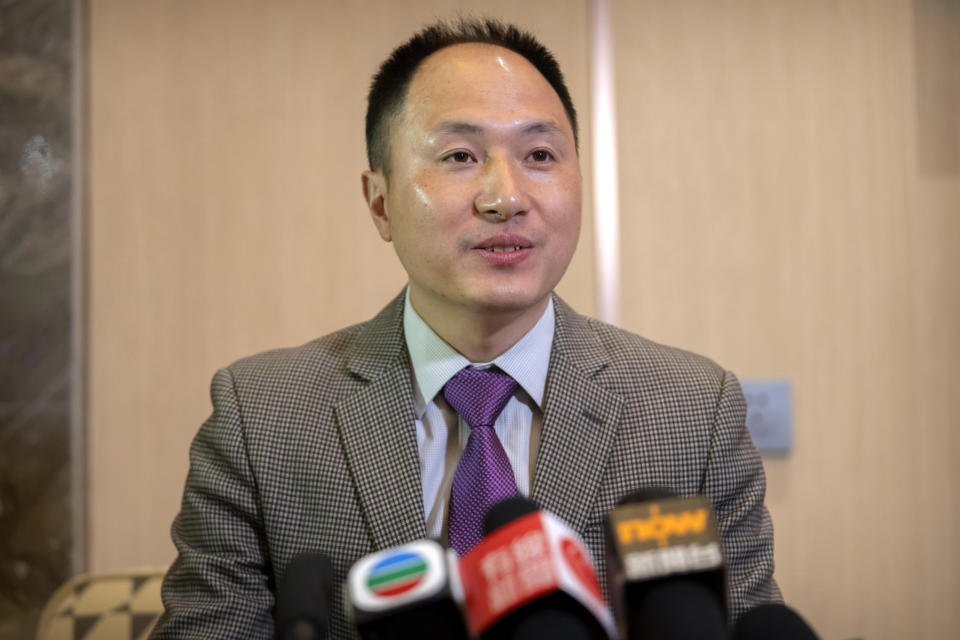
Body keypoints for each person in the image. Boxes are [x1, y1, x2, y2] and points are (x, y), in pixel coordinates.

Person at [153, 18, 780, 639]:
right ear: (380, 203)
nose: (505, 197)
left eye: (539, 155)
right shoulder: (262, 417)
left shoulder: (693, 412)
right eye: (460, 156)